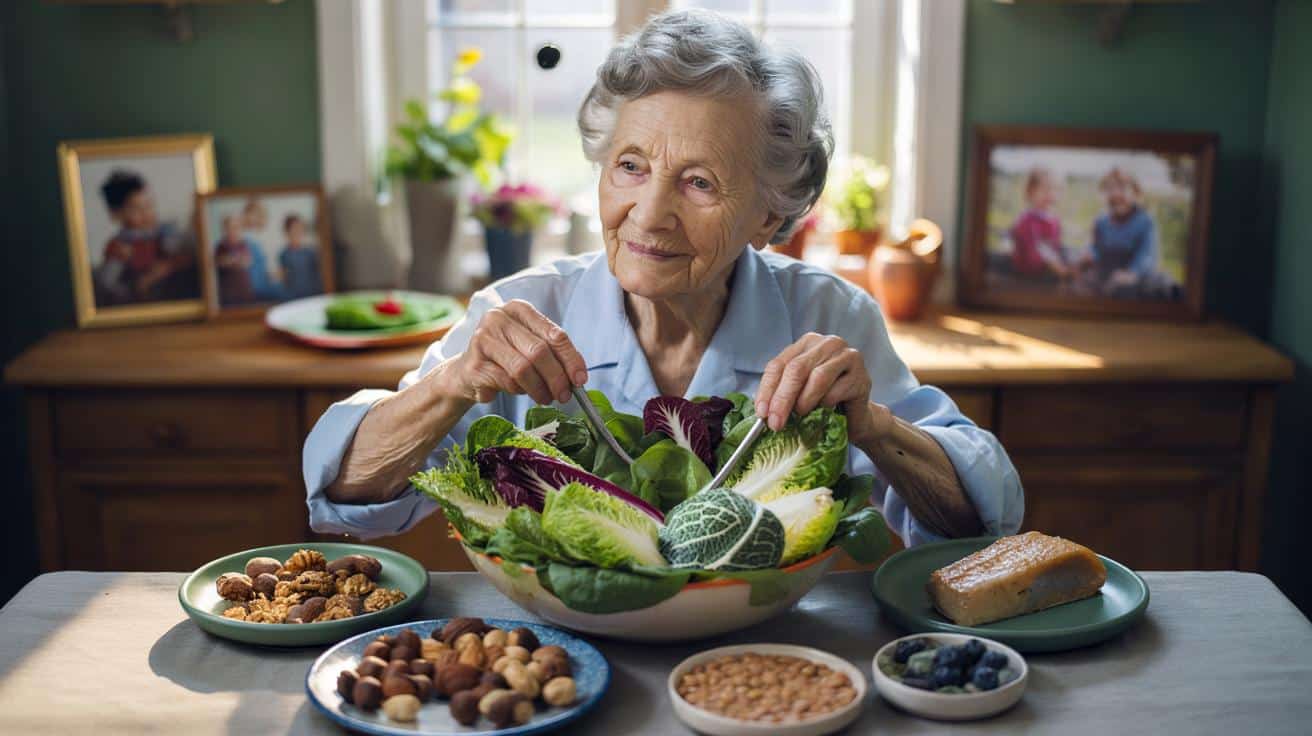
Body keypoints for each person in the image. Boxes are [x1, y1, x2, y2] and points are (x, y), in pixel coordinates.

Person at [303, 9, 1023, 547]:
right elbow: (345, 490)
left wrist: (872, 424)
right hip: (564, 651)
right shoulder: (517, 309)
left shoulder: (829, 316)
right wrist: (452, 384)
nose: (649, 215)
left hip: (763, 657)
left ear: (768, 220)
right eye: (630, 167)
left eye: (700, 183)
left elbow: (979, 513)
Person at [93, 170, 198, 306]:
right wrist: (136, 287)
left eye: (149, 205)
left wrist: (168, 266)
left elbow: (187, 255)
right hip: (148, 300)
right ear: (116, 215)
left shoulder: (166, 231)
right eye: (136, 209)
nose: (147, 213)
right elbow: (108, 284)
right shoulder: (119, 246)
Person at [1079, 167, 1161, 296]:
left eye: (1122, 188)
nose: (1116, 193)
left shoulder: (1144, 221)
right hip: (1106, 271)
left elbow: (1147, 254)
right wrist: (1090, 254)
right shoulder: (1101, 221)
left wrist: (1133, 272)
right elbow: (1096, 248)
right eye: (1110, 189)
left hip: (1133, 274)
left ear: (1135, 193)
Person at [1008, 168, 1068, 282]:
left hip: (1047, 270)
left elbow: (1055, 246)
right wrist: (1058, 267)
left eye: (1056, 190)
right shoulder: (1026, 220)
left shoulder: (1054, 220)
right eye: (1045, 189)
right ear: (1030, 192)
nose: (1051, 194)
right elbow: (1036, 251)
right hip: (1028, 275)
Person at [214, 213, 281, 306]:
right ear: (224, 230)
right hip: (229, 292)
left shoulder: (244, 244)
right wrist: (233, 261)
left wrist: (233, 260)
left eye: (236, 228)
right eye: (229, 228)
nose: (233, 231)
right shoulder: (221, 246)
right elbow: (221, 262)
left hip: (245, 290)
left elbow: (247, 262)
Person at [278, 214, 322, 300]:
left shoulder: (311, 252)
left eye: (300, 228)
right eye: (294, 228)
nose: (298, 232)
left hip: (313, 295)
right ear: (287, 231)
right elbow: (283, 278)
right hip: (294, 297)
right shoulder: (284, 254)